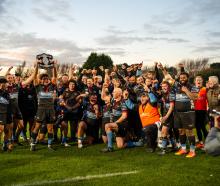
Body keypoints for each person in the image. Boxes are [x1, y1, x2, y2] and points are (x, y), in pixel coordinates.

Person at [30, 60, 58, 151]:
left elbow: (55, 76)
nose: (46, 80)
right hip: (41, 109)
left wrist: (54, 66)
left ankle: (49, 146)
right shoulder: (38, 86)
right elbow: (34, 76)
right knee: (37, 127)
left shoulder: (52, 86)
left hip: (50, 109)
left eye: (47, 79)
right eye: (44, 79)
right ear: (41, 80)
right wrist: (37, 65)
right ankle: (33, 144)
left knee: (50, 128)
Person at [173, 72, 198, 158]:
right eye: (181, 78)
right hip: (178, 112)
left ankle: (192, 150)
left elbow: (195, 97)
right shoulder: (177, 86)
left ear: (187, 78)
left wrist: (186, 90)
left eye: (184, 77)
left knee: (189, 131)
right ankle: (183, 149)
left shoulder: (192, 86)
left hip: (188, 112)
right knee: (181, 130)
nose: (182, 79)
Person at [101, 88, 128, 152]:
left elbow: (124, 116)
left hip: (122, 124)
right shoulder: (113, 100)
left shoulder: (122, 102)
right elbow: (103, 97)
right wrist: (103, 88)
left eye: (114, 92)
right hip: (116, 124)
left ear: (119, 94)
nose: (112, 93)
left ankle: (110, 147)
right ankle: (137, 143)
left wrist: (116, 122)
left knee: (107, 126)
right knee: (120, 146)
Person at [191, 75, 208, 149]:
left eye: (200, 80)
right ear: (195, 82)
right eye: (197, 80)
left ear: (202, 81)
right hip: (195, 110)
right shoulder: (193, 90)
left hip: (203, 110)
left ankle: (208, 142)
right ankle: (201, 142)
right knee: (197, 127)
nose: (198, 81)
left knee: (202, 126)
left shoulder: (205, 89)